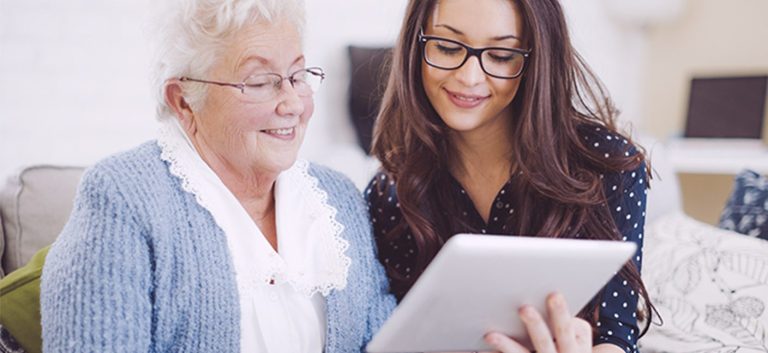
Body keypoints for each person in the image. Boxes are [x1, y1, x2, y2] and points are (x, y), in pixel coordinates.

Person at [40, 0, 395, 351]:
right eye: (259, 82)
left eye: (298, 76)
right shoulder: (123, 197)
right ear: (183, 101)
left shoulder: (339, 199)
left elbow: (387, 341)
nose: (293, 105)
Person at [365, 0, 655, 352]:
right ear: (416, 45)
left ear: (535, 59)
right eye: (446, 47)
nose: (469, 77)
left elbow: (616, 336)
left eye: (502, 56)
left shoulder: (607, 167)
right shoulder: (391, 193)